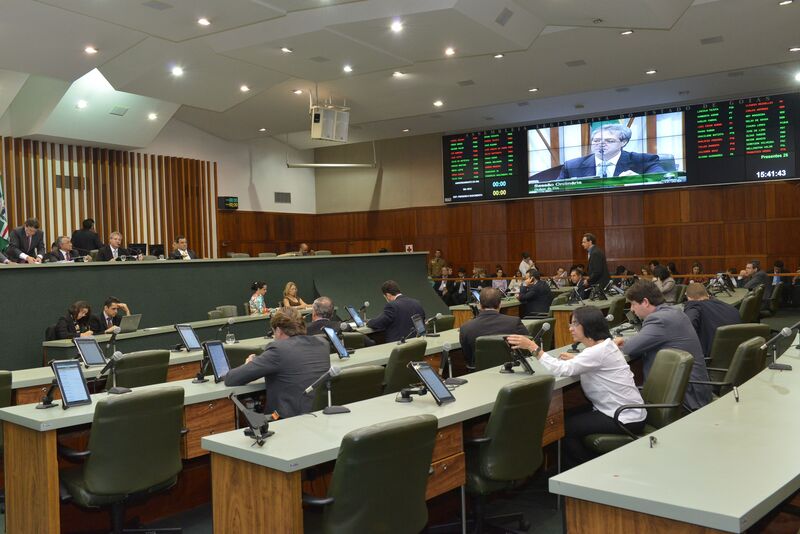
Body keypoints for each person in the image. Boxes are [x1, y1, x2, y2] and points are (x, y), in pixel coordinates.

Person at [507, 306, 645, 467]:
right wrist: (576, 360)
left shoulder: (596, 352)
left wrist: (533, 347)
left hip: (624, 417)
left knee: (564, 428)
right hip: (625, 410)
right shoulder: (605, 345)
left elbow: (561, 369)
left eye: (574, 324)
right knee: (565, 418)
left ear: (588, 326)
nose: (570, 328)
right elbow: (593, 362)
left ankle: (584, 468)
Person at [614, 280, 712, 411]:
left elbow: (630, 348)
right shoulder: (675, 312)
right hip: (695, 389)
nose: (631, 309)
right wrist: (626, 340)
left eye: (633, 304)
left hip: (683, 397)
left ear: (645, 302)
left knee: (618, 402)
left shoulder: (658, 319)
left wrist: (622, 341)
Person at [224, 308, 330, 418]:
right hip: (320, 416)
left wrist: (248, 364)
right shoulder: (322, 343)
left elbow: (231, 379)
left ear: (278, 330)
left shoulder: (278, 349)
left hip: (286, 420)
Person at [557, 124, 666, 180]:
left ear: (623, 142)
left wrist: (639, 179)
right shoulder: (572, 166)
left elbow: (663, 179)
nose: (601, 144)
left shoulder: (643, 160)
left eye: (609, 141)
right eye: (596, 141)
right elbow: (555, 189)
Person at [459, 288, 528, 367]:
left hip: (481, 371)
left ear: (479, 305)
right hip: (511, 369)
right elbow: (528, 348)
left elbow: (468, 357)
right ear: (500, 304)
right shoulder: (514, 322)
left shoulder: (465, 328)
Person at [682, 283, 741, 357]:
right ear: (707, 294)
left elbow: (685, 334)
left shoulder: (694, 308)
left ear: (688, 297)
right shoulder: (732, 308)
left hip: (709, 358)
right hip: (736, 356)